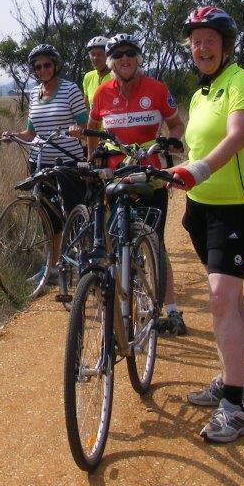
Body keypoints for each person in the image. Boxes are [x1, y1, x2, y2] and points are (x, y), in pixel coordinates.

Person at [167, 6, 244, 444]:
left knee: (221, 298)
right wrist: (170, 168)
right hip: (201, 208)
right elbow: (193, 145)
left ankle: (233, 406)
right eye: (196, 42)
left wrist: (201, 169)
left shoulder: (240, 82)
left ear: (225, 46)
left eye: (210, 40)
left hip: (236, 206)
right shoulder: (200, 94)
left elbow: (237, 135)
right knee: (231, 297)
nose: (202, 48)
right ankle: (237, 383)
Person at [76, 33, 188, 335]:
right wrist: (91, 162)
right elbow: (93, 128)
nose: (125, 59)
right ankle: (123, 304)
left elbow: (175, 123)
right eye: (118, 55)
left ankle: (172, 311)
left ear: (138, 58)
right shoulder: (102, 93)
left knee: (154, 240)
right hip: (114, 177)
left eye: (130, 53)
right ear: (111, 61)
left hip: (148, 178)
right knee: (114, 240)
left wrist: (171, 144)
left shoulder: (156, 89)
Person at [1, 44, 88, 283]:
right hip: (39, 162)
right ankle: (52, 266)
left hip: (67, 161)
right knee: (48, 218)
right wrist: (13, 136)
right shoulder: (33, 94)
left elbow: (86, 127)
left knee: (74, 213)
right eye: (38, 67)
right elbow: (31, 133)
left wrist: (76, 131)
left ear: (55, 65)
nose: (42, 70)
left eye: (46, 65)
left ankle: (83, 264)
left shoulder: (70, 90)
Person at [82, 35, 111, 110]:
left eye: (100, 54)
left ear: (108, 55)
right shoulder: (88, 76)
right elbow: (86, 108)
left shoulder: (117, 76)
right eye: (92, 54)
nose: (95, 58)